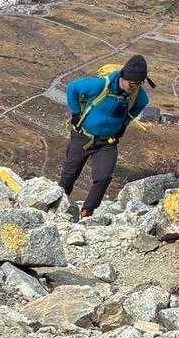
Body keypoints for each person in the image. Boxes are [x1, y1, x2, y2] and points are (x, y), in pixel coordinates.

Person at [58, 55, 152, 219]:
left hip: (107, 143)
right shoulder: (101, 85)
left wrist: (123, 125)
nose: (135, 88)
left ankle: (87, 213)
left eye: (139, 84)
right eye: (132, 84)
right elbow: (72, 88)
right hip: (83, 136)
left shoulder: (138, 95)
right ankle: (57, 204)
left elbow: (139, 106)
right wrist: (76, 114)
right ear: (123, 77)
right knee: (69, 174)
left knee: (103, 178)